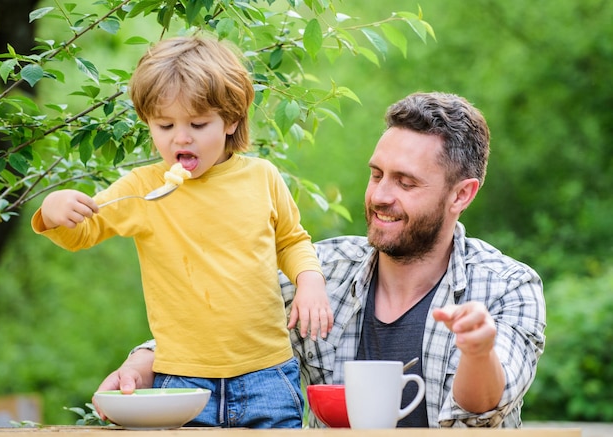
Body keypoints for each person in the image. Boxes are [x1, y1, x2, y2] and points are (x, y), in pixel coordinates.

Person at [93, 92, 546, 428]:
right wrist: (140, 364)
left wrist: (478, 348)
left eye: (405, 183)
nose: (380, 196)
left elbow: (485, 408)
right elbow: (232, 318)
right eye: (376, 174)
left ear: (461, 194)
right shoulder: (324, 270)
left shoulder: (506, 286)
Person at [31, 35, 334, 429]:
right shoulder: (142, 188)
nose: (181, 137)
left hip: (268, 375)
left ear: (232, 120)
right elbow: (84, 230)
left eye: (198, 123)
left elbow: (291, 241)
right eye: (165, 124)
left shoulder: (262, 178)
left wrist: (310, 281)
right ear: (148, 123)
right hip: (182, 381)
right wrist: (54, 210)